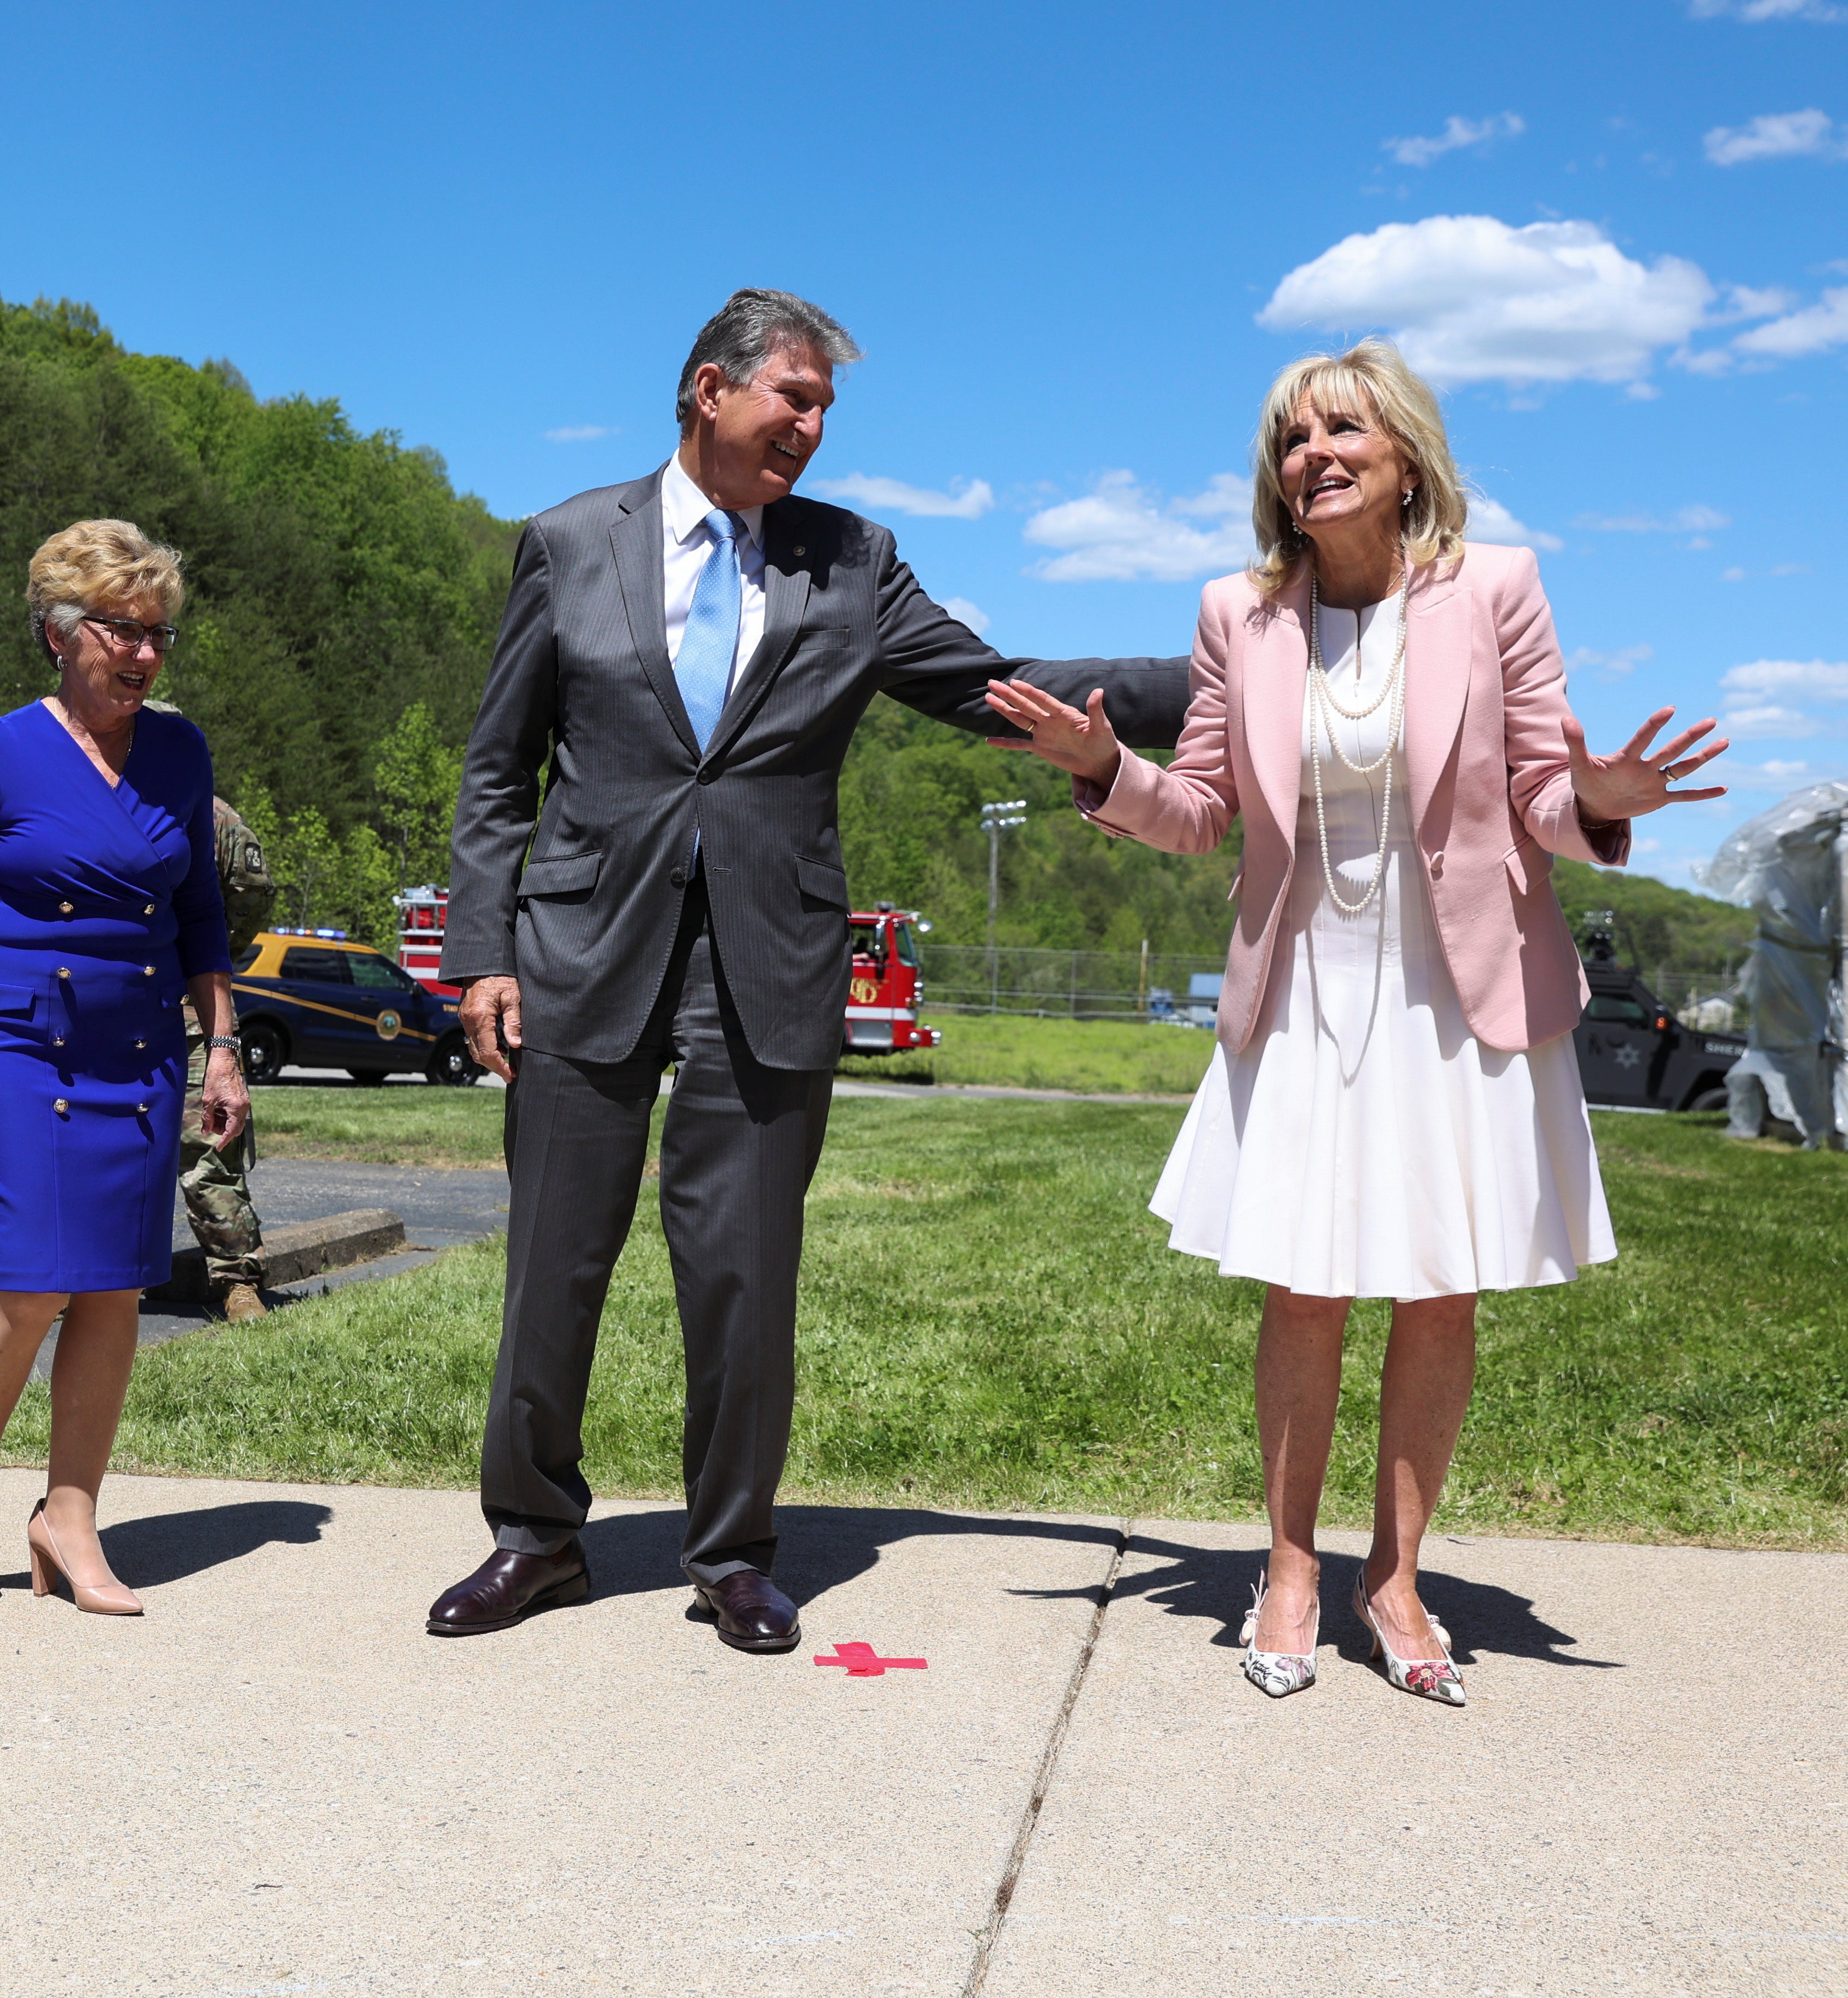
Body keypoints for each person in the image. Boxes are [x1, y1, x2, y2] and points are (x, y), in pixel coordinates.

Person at [433, 289, 1187, 1653]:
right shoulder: (563, 542)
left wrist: (1227, 673)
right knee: (552, 1262)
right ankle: (533, 1537)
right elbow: (499, 770)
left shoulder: (850, 559)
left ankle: (729, 1553)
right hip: (580, 949)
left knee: (741, 1272)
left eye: (824, 407)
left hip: (766, 959)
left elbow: (995, 683)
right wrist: (479, 953)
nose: (810, 424)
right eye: (791, 395)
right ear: (702, 390)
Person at [985, 338, 1722, 1706]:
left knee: (1434, 1282)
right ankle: (1283, 1569)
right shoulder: (1237, 613)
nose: (1312, 454)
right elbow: (1201, 809)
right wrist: (1105, 769)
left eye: (1342, 430)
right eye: (1289, 437)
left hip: (1460, 987)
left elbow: (1537, 803)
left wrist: (1605, 793)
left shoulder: (1491, 587)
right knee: (1302, 1281)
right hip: (1304, 983)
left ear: (1403, 458)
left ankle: (1394, 1575)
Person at [0, 523, 248, 1616]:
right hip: (17, 1046)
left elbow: (200, 913)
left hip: (139, 1049)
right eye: (121, 631)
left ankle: (70, 1514)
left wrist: (223, 1048)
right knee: (32, 1281)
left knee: (114, 1289)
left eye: (158, 634)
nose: (143, 656)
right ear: (60, 634)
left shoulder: (180, 753)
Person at [180, 783, 275, 1320]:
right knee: (101, 1149)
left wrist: (207, 954)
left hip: (191, 1004)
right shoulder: (94, 801)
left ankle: (239, 1280)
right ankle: (87, 1280)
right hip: (108, 1005)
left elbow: (251, 894)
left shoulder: (213, 818)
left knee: (209, 1146)